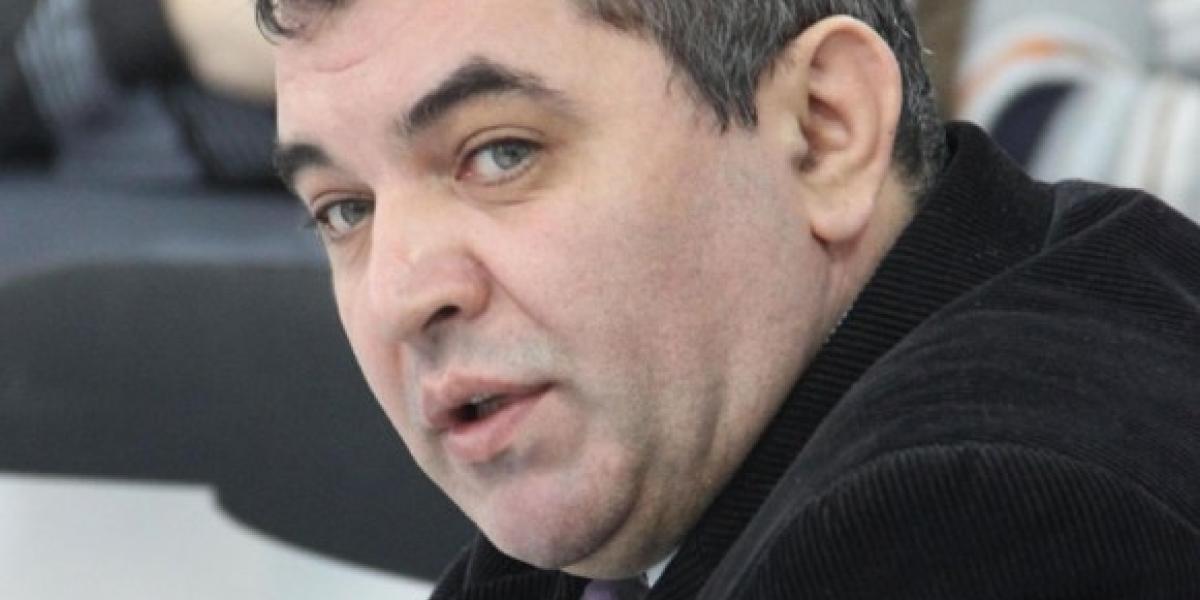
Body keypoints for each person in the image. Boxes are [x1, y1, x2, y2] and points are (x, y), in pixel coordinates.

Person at [261, 0, 1200, 598]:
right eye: (344, 210)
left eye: (502, 153)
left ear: (824, 130)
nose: (398, 294)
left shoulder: (967, 523)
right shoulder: (635, 493)